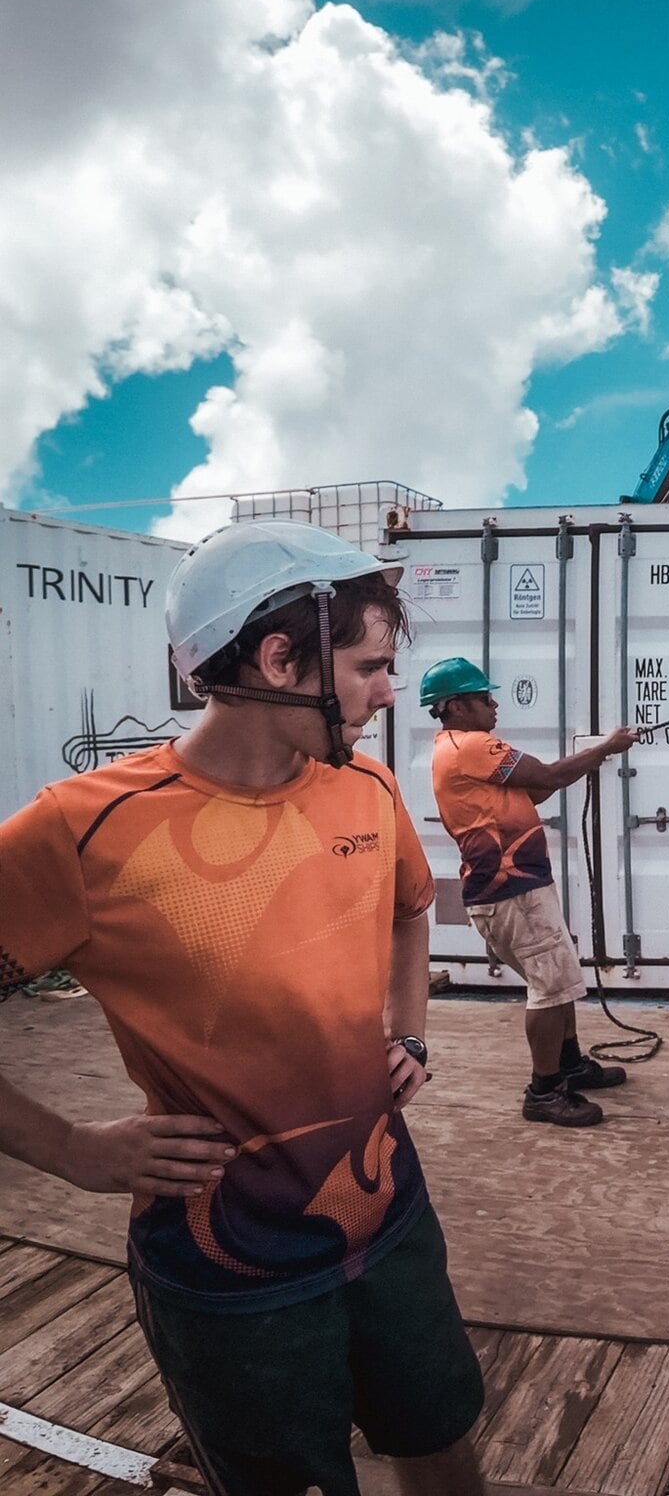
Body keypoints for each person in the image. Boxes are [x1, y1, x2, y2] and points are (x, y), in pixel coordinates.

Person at [0, 520, 487, 1496]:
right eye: (370, 667)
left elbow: (409, 909)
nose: (392, 691)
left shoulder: (365, 786)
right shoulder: (81, 829)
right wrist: (70, 1149)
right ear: (276, 659)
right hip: (230, 1273)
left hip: (391, 1220)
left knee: (439, 1443)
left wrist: (409, 1030)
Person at [423, 657, 639, 1128]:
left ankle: (569, 1063)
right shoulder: (472, 745)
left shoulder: (453, 750)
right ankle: (545, 1091)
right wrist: (607, 747)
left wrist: (592, 758)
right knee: (549, 986)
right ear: (456, 706)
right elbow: (548, 777)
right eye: (484, 698)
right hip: (511, 889)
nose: (494, 705)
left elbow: (535, 792)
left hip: (516, 886)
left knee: (557, 978)